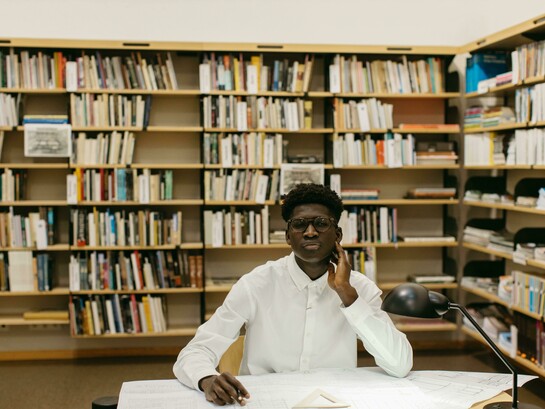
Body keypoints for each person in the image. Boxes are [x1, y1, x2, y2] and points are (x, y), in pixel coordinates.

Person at [173, 183, 413, 406]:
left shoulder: (359, 288)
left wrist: (348, 297)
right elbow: (195, 351)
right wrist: (206, 378)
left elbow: (399, 364)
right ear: (288, 236)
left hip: (334, 402)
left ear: (337, 235)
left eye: (320, 223)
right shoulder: (256, 284)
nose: (310, 232)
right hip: (264, 402)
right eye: (299, 224)